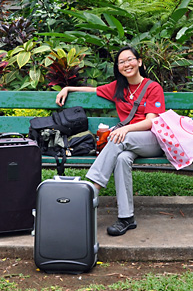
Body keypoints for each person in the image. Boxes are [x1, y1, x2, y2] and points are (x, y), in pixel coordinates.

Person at [56, 46, 166, 236]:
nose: (126, 64)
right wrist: (67, 88)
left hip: (151, 141)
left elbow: (152, 122)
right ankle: (126, 218)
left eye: (130, 60)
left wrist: (125, 128)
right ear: (118, 67)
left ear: (139, 62)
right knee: (122, 159)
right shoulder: (118, 88)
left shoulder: (152, 87)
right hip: (127, 141)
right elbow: (93, 90)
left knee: (116, 138)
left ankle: (92, 189)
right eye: (121, 62)